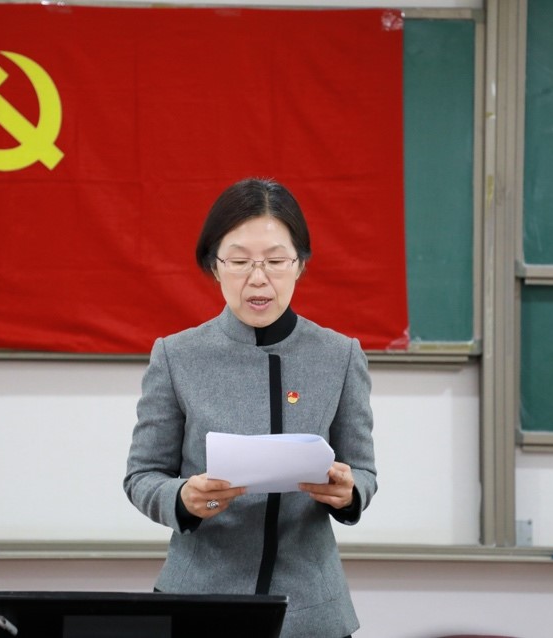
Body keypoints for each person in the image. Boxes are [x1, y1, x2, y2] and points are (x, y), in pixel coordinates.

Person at [124, 177, 377, 638]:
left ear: (299, 265)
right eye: (239, 261)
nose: (258, 278)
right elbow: (142, 476)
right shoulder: (176, 356)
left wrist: (350, 491)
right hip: (200, 600)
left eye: (276, 261)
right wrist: (182, 498)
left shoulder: (340, 355)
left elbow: (363, 470)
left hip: (310, 608)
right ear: (214, 267)